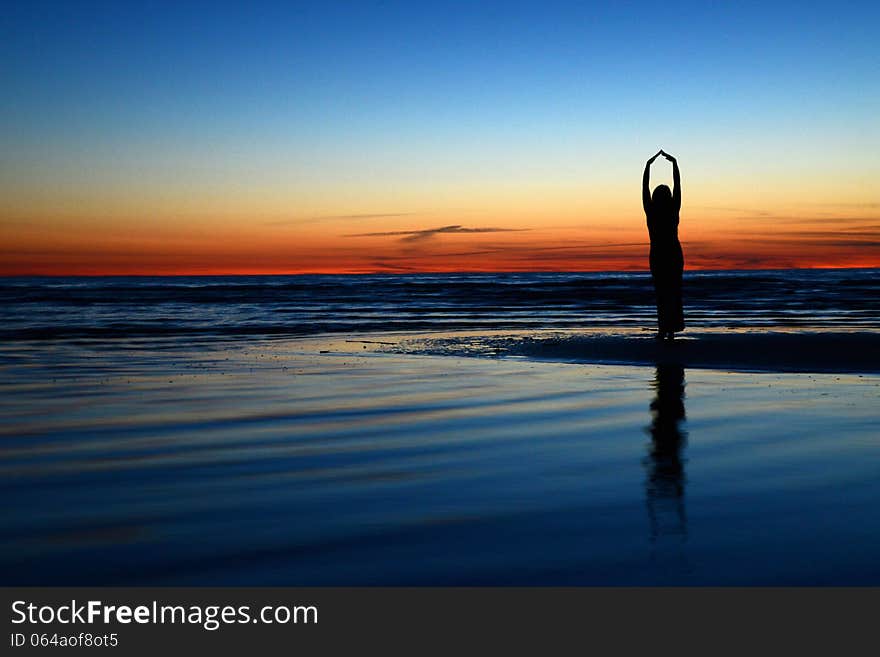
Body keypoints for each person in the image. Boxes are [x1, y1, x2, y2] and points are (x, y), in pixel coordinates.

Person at [643, 149, 684, 340]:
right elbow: (678, 186)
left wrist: (648, 166)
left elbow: (644, 190)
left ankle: (664, 328)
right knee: (673, 291)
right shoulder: (672, 210)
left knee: (662, 292)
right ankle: (670, 329)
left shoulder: (651, 213)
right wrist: (674, 165)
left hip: (659, 255)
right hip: (672, 254)